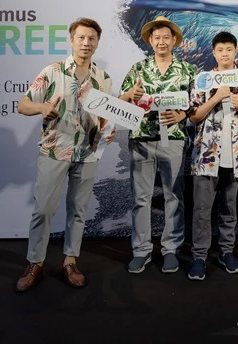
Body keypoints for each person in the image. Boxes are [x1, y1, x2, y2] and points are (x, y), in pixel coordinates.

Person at [13, 17, 115, 293]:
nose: (86, 43)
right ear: (71, 40)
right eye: (81, 37)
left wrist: (108, 130)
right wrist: (42, 108)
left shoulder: (103, 79)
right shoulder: (52, 71)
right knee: (43, 209)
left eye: (91, 38)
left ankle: (70, 261)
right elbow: (23, 105)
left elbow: (104, 118)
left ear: (97, 43)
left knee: (78, 210)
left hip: (88, 152)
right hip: (54, 149)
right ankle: (35, 262)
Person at [119, 16, 197, 274]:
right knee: (141, 198)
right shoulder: (138, 69)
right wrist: (130, 95)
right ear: (150, 41)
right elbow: (121, 101)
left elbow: (196, 104)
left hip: (173, 138)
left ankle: (171, 249)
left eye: (166, 37)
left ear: (174, 40)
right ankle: (141, 250)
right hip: (141, 138)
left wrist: (182, 115)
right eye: (156, 37)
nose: (161, 41)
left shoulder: (188, 70)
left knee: (173, 195)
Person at [186, 31, 238, 280]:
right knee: (202, 210)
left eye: (229, 49)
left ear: (236, 52)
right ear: (214, 53)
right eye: (220, 50)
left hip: (235, 155)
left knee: (229, 209)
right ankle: (199, 256)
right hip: (206, 155)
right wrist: (216, 97)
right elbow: (193, 117)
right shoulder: (202, 80)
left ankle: (227, 252)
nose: (225, 54)